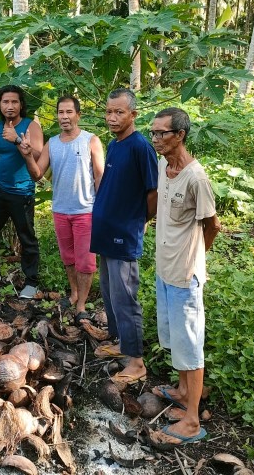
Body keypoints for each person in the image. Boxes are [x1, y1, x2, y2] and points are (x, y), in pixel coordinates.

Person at [149, 107, 221, 444]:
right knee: (175, 338)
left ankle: (192, 421)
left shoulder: (197, 178)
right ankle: (181, 390)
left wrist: (196, 258)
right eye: (154, 133)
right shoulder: (165, 166)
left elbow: (213, 225)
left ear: (180, 135)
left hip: (185, 274)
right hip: (165, 269)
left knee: (191, 346)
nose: (156, 139)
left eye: (163, 133)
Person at [90, 88, 158, 385]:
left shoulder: (140, 146)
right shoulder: (115, 144)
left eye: (119, 112)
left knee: (126, 295)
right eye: (109, 112)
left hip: (123, 233)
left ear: (133, 114)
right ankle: (119, 342)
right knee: (109, 290)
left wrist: (141, 220)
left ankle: (136, 361)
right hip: (106, 231)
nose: (112, 117)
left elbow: (153, 191)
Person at [18, 96, 105, 322]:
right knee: (68, 258)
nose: (64, 117)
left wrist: (102, 209)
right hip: (60, 210)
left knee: (85, 260)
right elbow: (37, 174)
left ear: (78, 115)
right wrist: (27, 155)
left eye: (69, 112)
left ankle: (82, 305)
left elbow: (100, 175)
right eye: (60, 112)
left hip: (85, 210)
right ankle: (74, 293)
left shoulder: (90, 141)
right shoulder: (52, 143)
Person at [0, 85, 44, 299]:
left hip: (22, 191)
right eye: (5, 102)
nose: (10, 106)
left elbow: (38, 154)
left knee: (27, 238)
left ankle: (31, 282)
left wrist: (17, 139)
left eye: (14, 102)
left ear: (21, 105)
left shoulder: (31, 126)